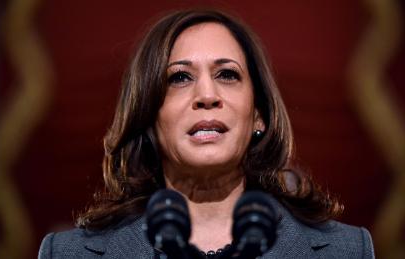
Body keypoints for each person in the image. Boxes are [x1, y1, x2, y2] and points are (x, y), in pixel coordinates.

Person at [38, 9, 375, 258]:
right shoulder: (68, 253)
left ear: (259, 114)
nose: (207, 95)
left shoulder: (346, 250)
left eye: (227, 74)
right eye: (179, 78)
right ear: (149, 114)